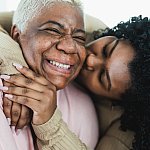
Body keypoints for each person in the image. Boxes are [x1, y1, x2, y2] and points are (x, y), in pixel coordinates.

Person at [0, 0, 99, 149]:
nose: (70, 46)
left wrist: (49, 124)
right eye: (53, 30)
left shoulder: (83, 107)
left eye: (79, 38)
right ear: (16, 34)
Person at [77, 15, 150, 150]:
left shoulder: (121, 135)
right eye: (106, 50)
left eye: (102, 77)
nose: (90, 60)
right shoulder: (93, 30)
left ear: (113, 102)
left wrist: (49, 121)